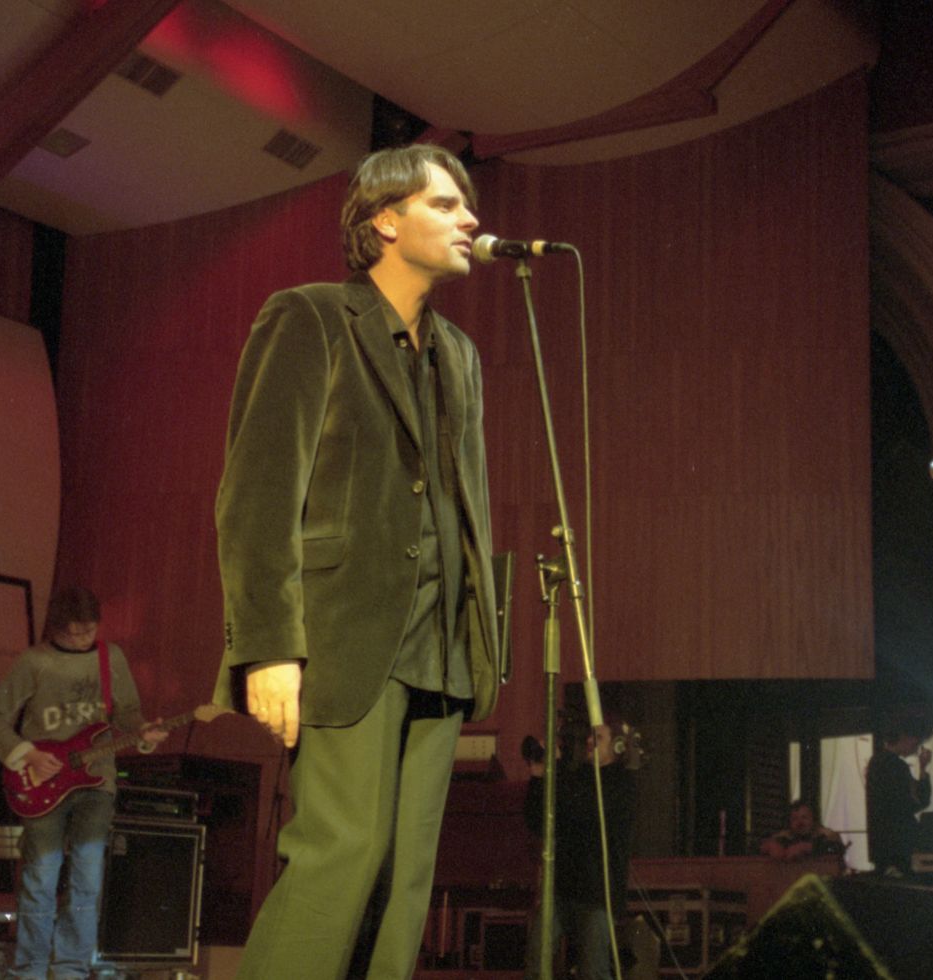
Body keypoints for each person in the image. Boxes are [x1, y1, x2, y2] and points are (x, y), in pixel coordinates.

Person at [212, 143, 502, 980]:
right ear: (385, 220)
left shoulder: (459, 354)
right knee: (342, 853)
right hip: (346, 633)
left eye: (466, 204)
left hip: (441, 647)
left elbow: (466, 507)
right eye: (444, 204)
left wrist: (479, 637)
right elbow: (259, 492)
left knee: (404, 880)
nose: (469, 219)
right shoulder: (308, 317)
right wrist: (268, 645)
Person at [0, 586, 167, 980]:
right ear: (56, 627)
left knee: (88, 876)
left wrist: (143, 733)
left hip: (97, 781)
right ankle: (30, 970)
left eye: (89, 630)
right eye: (73, 632)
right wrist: (28, 755)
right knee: (41, 875)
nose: (83, 638)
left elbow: (128, 715)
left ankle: (71, 970)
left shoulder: (111, 658)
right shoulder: (34, 661)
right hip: (42, 780)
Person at [523, 719, 640, 980]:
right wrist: (537, 777)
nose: (589, 741)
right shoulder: (578, 777)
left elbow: (583, 809)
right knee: (536, 961)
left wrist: (557, 768)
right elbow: (538, 822)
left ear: (618, 747)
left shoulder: (621, 783)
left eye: (598, 738)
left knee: (592, 970)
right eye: (589, 736)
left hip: (597, 892)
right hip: (562, 888)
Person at [865, 720, 933, 876]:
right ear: (905, 737)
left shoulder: (878, 761)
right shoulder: (895, 765)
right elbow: (916, 802)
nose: (916, 748)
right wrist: (923, 769)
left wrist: (922, 768)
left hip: (883, 844)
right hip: (898, 844)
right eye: (916, 742)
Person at [760, 800, 846, 861]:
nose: (800, 822)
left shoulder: (826, 834)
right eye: (794, 819)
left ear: (814, 819)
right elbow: (756, 847)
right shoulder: (785, 836)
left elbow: (838, 849)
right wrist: (769, 845)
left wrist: (808, 847)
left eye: (804, 817)